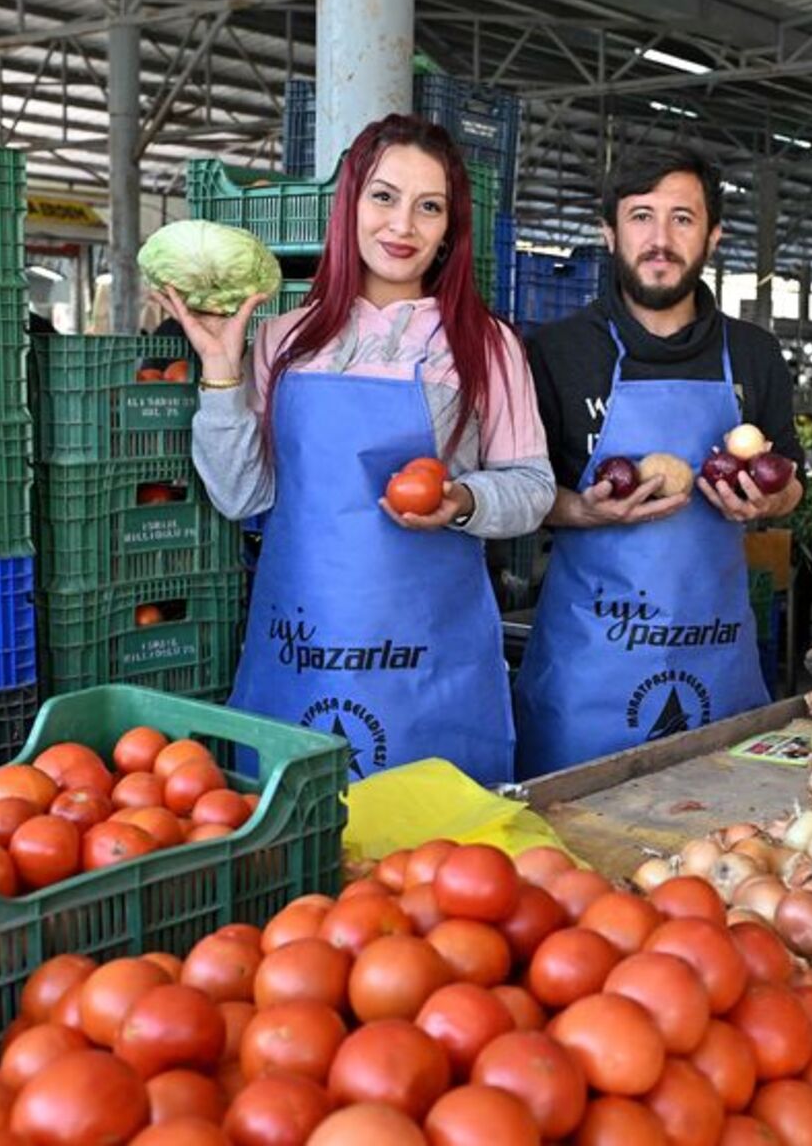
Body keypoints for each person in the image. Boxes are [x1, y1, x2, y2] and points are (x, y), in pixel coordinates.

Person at [155, 114, 556, 786]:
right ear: (350, 206)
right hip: (303, 650)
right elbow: (241, 496)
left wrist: (463, 500)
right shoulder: (284, 339)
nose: (403, 226)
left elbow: (533, 487)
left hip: (429, 665)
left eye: (429, 208)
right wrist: (222, 374)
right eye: (384, 197)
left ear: (449, 229)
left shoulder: (485, 345)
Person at [515, 144, 806, 777]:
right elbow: (525, 496)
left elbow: (792, 481)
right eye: (641, 216)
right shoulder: (557, 352)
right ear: (609, 231)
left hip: (716, 662)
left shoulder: (754, 354)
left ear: (714, 235)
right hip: (587, 671)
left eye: (683, 217)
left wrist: (771, 500)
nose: (660, 238)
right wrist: (586, 511)